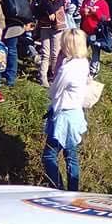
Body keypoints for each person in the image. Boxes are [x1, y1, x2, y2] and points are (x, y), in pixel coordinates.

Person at [42, 28, 90, 191]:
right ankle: (73, 191)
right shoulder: (83, 62)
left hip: (63, 116)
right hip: (76, 113)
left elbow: (54, 91)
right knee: (71, 156)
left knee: (49, 156)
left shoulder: (67, 68)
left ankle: (57, 189)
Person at [36, 0, 67, 88]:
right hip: (45, 28)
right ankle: (42, 76)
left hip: (56, 28)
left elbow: (53, 9)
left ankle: (53, 75)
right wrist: (47, 1)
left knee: (55, 54)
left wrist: (49, 6)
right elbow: (40, 10)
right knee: (45, 53)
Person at [80, 0, 110, 77]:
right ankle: (82, 68)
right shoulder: (87, 0)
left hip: (95, 31)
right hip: (85, 30)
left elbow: (106, 18)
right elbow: (81, 10)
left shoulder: (102, 3)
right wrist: (83, 11)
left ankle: (93, 70)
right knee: (82, 50)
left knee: (95, 51)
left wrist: (95, 13)